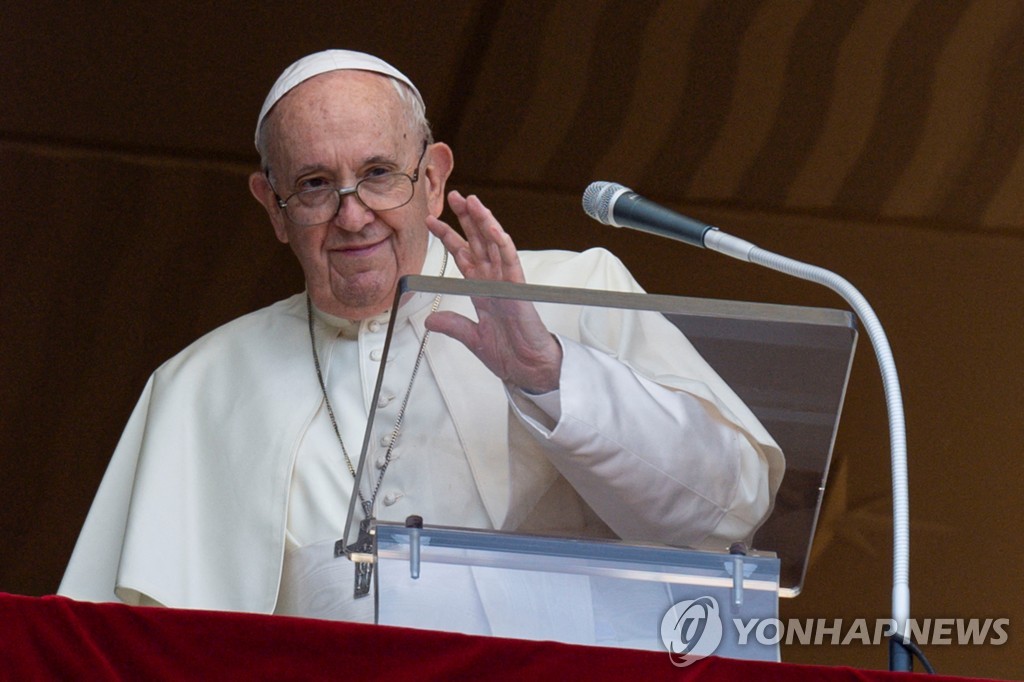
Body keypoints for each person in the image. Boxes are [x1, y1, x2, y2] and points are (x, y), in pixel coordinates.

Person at [58, 50, 784, 621]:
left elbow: (732, 513)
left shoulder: (574, 291)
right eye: (314, 185)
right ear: (273, 207)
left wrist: (550, 375)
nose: (352, 216)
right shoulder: (200, 386)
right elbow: (123, 640)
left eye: (378, 174)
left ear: (433, 179)